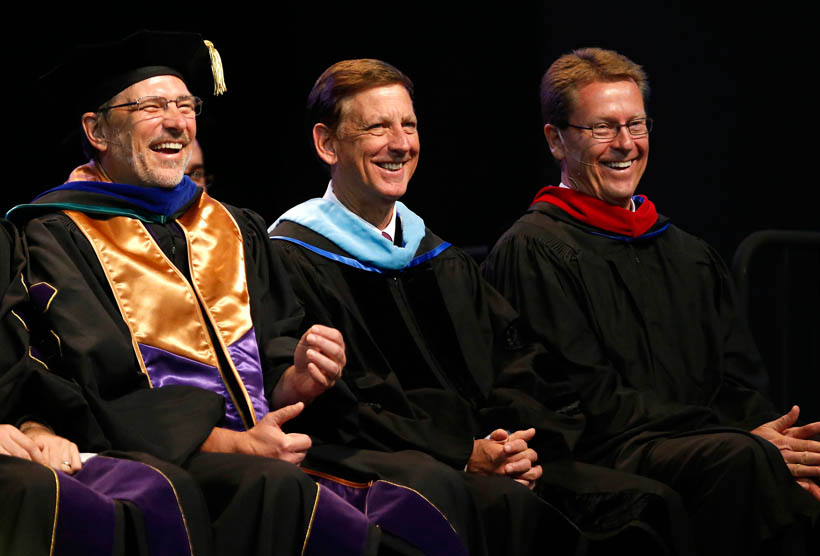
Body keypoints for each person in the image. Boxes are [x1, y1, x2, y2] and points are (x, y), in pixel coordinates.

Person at [9, 31, 462, 555]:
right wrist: (233, 442)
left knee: (429, 482)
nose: (178, 122)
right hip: (166, 455)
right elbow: (97, 383)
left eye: (185, 104)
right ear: (97, 130)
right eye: (153, 106)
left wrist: (298, 378)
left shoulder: (232, 226)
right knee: (277, 488)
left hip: (266, 446)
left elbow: (272, 354)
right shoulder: (54, 234)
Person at [269, 58, 697, 555]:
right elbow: (346, 409)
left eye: (408, 125)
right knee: (515, 514)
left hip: (491, 457)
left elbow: (517, 363)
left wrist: (516, 443)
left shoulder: (439, 258)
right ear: (327, 144)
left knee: (650, 505)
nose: (401, 143)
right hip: (397, 470)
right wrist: (464, 453)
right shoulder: (292, 257)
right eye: (377, 127)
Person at [482, 47, 820, 555]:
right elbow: (584, 400)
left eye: (636, 125)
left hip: (715, 442)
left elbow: (740, 381)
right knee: (743, 459)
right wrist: (746, 439)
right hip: (609, 454)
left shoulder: (687, 252)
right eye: (601, 128)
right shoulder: (535, 250)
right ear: (556, 139)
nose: (624, 144)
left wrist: (764, 432)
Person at [0, 217, 216, 556]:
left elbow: (23, 357)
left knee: (160, 487)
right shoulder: (54, 225)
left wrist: (35, 426)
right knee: (40, 491)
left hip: (17, 434)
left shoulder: (4, 241)